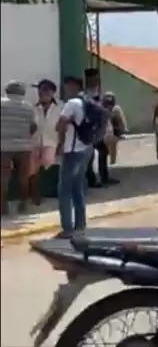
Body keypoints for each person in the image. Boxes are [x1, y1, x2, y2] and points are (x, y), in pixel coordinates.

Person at [55, 76, 94, 237]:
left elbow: (60, 125)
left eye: (66, 86)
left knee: (64, 190)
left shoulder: (71, 103)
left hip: (72, 151)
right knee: (78, 187)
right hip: (86, 149)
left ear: (72, 86)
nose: (64, 89)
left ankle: (67, 229)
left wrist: (60, 144)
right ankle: (80, 226)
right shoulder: (88, 102)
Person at [1, 81, 37, 215]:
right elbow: (33, 127)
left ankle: (2, 208)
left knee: (3, 178)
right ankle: (23, 205)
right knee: (23, 177)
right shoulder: (28, 107)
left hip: (3, 146)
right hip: (24, 146)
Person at [83, 68, 117, 187]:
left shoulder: (95, 91)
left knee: (103, 151)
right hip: (88, 128)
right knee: (91, 154)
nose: (96, 81)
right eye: (94, 78)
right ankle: (92, 179)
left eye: (97, 78)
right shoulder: (86, 93)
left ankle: (103, 177)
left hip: (96, 128)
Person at [30, 79, 62, 205]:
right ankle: (35, 195)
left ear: (52, 92)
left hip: (52, 142)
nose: (41, 93)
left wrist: (62, 144)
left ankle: (56, 191)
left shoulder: (60, 107)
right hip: (35, 143)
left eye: (45, 90)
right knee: (33, 170)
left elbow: (64, 127)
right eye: (40, 90)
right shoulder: (33, 108)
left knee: (52, 166)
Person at [103, 92, 127, 165]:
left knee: (113, 146)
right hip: (105, 130)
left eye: (110, 97)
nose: (109, 99)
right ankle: (110, 160)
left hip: (115, 130)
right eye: (107, 97)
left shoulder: (116, 108)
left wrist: (123, 128)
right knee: (107, 147)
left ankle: (112, 161)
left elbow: (121, 119)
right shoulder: (102, 108)